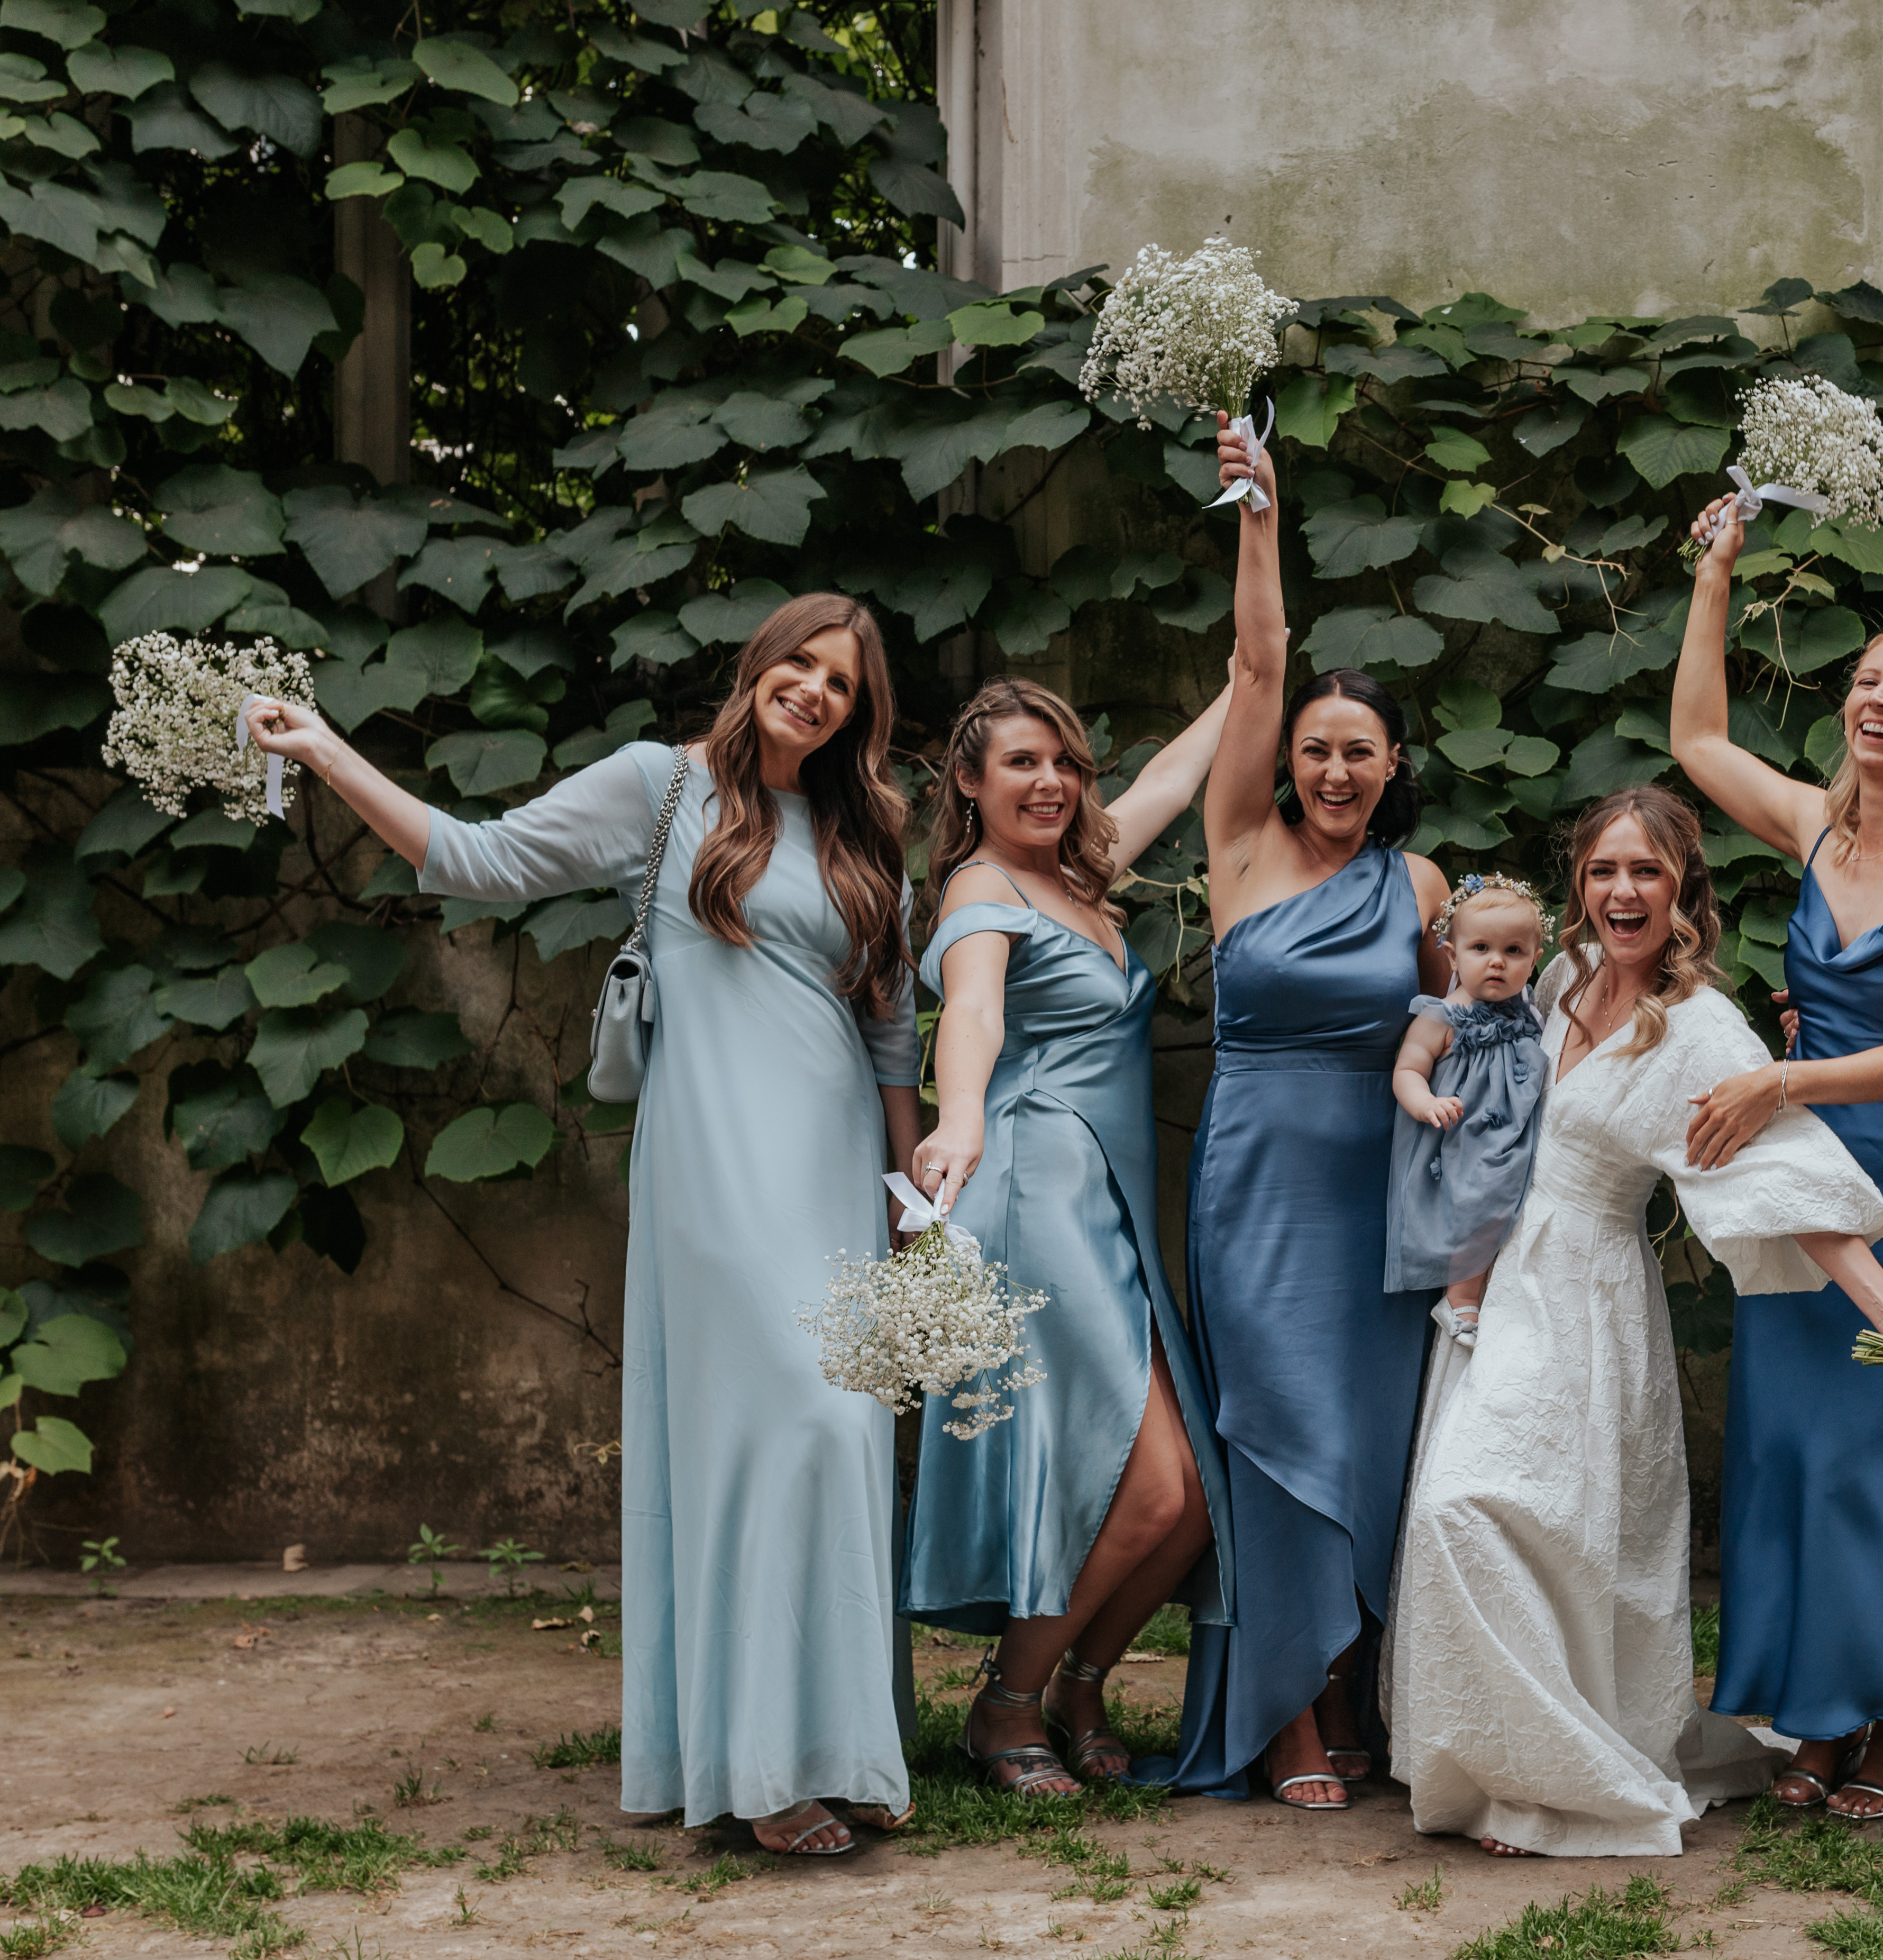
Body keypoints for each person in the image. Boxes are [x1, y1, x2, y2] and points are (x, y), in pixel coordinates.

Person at [244, 594, 926, 1856]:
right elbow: (475, 857)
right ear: (757, 665)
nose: (815, 690)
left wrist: (906, 1205)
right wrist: (327, 748)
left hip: (837, 1168)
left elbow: (889, 1031)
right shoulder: (655, 787)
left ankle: (841, 1746)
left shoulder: (864, 828)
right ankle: (760, 1770)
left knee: (845, 1429)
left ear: (859, 711)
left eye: (843, 682)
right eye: (800, 663)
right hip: (715, 1164)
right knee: (783, 1423)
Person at [1386, 786, 1883, 1860]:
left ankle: (1557, 1775)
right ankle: (1501, 1762)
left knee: (1491, 1512)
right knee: (1472, 1510)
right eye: (1604, 870)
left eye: (1646, 872)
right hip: (1496, 1282)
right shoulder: (1555, 979)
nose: (1622, 891)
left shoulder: (1702, 1029)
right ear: (1580, 884)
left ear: (1682, 889)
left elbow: (1792, 1183)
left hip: (1591, 1298)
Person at [1669, 496, 1883, 1821]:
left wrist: (1774, 1075)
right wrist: (1716, 573)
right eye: (1864, 680)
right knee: (1790, 1446)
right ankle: (1815, 1715)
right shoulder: (1814, 824)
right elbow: (1696, 737)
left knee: (1877, 1441)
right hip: (1799, 1170)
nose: (1877, 700)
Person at [1164, 416, 1454, 1808]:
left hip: (1381, 1202)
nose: (1336, 771)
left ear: (1395, 767)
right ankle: (1282, 1712)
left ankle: (1353, 1689)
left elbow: (1478, 1042)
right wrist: (1260, 511)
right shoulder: (1240, 842)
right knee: (1273, 1431)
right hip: (1259, 1184)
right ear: (1289, 759)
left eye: (1362, 753)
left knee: (1373, 1441)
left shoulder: (1424, 888)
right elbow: (1256, 664)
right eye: (1319, 751)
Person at [903, 672, 1239, 1794]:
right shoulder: (980, 889)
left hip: (1111, 1200)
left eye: (1064, 762)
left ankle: (1080, 1679)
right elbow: (976, 1012)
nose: (1049, 782)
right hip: (1035, 1190)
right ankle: (1006, 1707)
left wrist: (1246, 672)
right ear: (967, 782)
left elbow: (1175, 777)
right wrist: (956, 1120)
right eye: (1020, 764)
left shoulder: (1084, 872)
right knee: (1145, 1484)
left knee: (1192, 1495)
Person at [1383, 874, 1553, 1344]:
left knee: (1509, 1205)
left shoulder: (1531, 1016)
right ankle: (1461, 1299)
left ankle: (1488, 1291)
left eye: (1514, 951)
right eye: (1481, 948)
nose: (1497, 961)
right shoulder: (1440, 1016)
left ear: (1534, 960)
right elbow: (1407, 1071)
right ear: (1453, 955)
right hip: (1458, 1134)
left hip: (1511, 1134)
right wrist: (1427, 1103)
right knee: (1474, 1200)